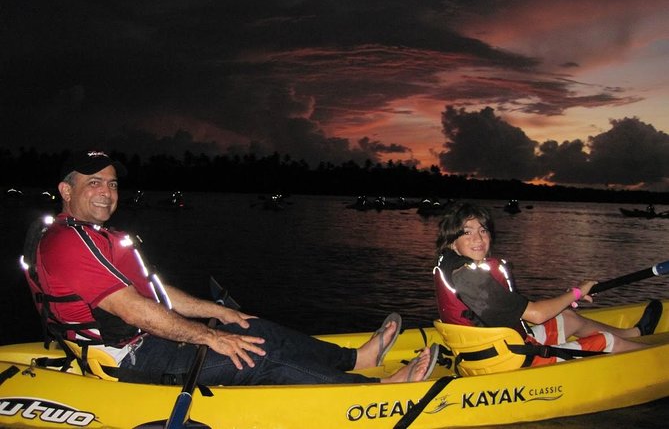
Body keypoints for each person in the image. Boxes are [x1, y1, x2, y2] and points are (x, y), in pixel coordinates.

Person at [29, 150, 438, 386]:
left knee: (250, 328)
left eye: (112, 183)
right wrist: (210, 338)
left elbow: (156, 292)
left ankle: (355, 359)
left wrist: (219, 313)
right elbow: (133, 310)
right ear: (66, 191)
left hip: (145, 341)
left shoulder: (93, 235)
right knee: (255, 355)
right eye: (94, 183)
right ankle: (373, 388)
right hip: (127, 359)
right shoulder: (68, 242)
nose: (107, 192)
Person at [434, 202, 662, 366]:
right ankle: (661, 361)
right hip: (506, 358)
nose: (478, 238)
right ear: (452, 242)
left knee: (568, 318)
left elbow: (517, 311)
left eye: (483, 230)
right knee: (606, 341)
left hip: (487, 349)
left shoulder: (453, 265)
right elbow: (535, 315)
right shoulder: (468, 277)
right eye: (467, 233)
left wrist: (569, 298)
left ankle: (632, 333)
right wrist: (575, 292)